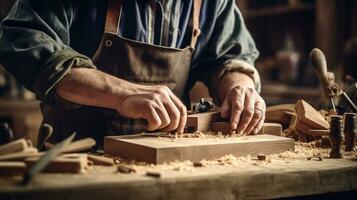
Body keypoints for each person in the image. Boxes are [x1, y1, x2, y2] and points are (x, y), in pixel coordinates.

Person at [0, 0, 265, 143]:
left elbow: (229, 55)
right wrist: (123, 93)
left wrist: (239, 87)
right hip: (78, 161)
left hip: (172, 163)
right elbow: (23, 38)